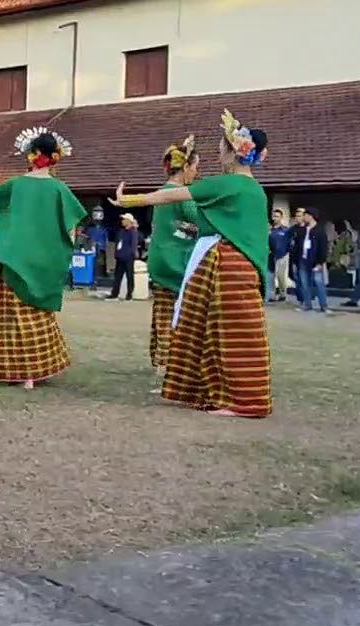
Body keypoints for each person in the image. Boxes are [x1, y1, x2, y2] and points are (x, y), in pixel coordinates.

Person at [112, 110, 271, 418]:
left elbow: (169, 196)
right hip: (246, 268)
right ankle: (237, 397)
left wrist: (127, 201)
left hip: (225, 265)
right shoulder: (256, 191)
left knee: (224, 335)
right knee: (240, 333)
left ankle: (243, 403)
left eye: (222, 148)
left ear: (233, 152)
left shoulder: (226, 184)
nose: (218, 154)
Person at [0, 126, 86, 390]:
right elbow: (71, 230)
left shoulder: (16, 185)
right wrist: (58, 257)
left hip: (15, 261)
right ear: (55, 157)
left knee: (12, 317)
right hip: (44, 264)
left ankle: (18, 371)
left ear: (31, 155)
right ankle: (37, 371)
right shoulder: (60, 190)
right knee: (38, 316)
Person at [147, 136, 200, 369]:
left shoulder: (161, 194)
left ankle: (160, 360)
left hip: (159, 258)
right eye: (196, 167)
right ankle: (174, 363)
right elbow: (197, 226)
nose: (196, 174)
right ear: (186, 167)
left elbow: (168, 228)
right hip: (176, 262)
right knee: (179, 316)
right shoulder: (183, 196)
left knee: (162, 313)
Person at [297, 207, 330, 313]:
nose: (303, 218)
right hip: (303, 260)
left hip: (315, 261)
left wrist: (321, 262)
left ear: (310, 216)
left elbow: (323, 247)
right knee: (304, 283)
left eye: (305, 215)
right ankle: (307, 304)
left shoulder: (320, 231)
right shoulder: (303, 230)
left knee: (319, 282)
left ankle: (323, 305)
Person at [107, 213, 140, 301]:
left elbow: (133, 243)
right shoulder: (121, 231)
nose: (122, 221)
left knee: (129, 275)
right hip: (120, 256)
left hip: (128, 256)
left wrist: (133, 254)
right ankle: (114, 293)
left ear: (129, 221)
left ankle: (129, 294)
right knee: (118, 276)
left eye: (124, 219)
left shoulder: (133, 231)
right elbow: (118, 243)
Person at [268, 209, 291, 302]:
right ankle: (272, 295)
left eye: (277, 216)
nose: (275, 218)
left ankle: (283, 294)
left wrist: (287, 251)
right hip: (271, 255)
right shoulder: (270, 230)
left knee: (281, 276)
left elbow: (290, 242)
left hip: (282, 255)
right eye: (274, 216)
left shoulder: (285, 230)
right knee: (271, 276)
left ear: (281, 217)